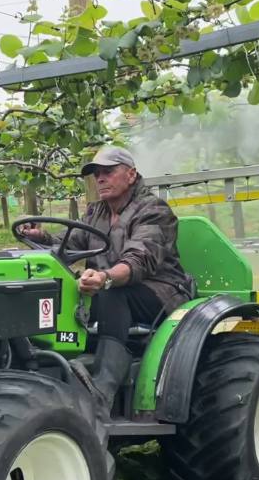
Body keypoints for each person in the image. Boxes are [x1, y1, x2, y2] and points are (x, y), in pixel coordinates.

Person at [19, 146, 193, 409]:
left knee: (112, 295)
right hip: (107, 285)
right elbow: (70, 245)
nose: (100, 179)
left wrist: (104, 277)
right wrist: (40, 237)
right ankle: (46, 367)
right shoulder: (96, 212)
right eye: (97, 174)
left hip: (160, 290)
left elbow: (140, 259)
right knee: (58, 292)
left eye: (108, 172)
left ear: (131, 175)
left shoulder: (154, 210)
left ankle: (103, 389)